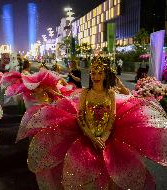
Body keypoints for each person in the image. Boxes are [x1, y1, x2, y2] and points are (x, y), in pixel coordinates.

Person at [16, 55, 167, 189]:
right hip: (86, 136)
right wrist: (92, 137)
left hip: (108, 138)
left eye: (100, 73)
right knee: (86, 172)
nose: (96, 76)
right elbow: (80, 117)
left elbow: (112, 118)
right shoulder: (85, 93)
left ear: (105, 75)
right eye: (93, 72)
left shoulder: (110, 94)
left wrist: (104, 137)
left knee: (111, 174)